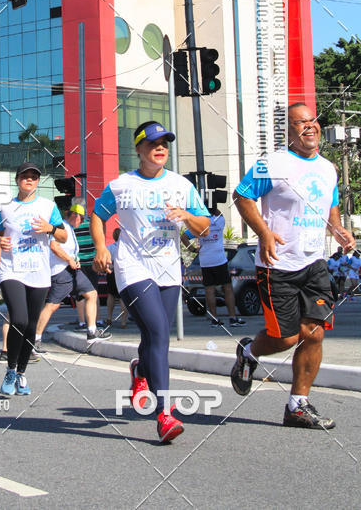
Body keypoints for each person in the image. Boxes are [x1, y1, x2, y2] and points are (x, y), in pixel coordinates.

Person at [230, 103, 356, 429]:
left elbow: (330, 209)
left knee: (313, 334)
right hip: (277, 266)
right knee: (286, 338)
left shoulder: (329, 168)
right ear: (289, 132)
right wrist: (264, 233)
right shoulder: (272, 163)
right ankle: (249, 353)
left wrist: (340, 232)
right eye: (300, 123)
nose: (309, 127)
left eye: (312, 120)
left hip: (314, 263)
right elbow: (242, 195)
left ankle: (298, 406)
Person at [92, 120, 210, 444]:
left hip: (169, 270)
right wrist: (102, 247)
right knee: (158, 330)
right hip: (132, 267)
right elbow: (98, 215)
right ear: (139, 149)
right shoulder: (121, 186)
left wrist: (186, 217)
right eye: (153, 143)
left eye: (165, 144)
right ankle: (165, 414)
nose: (160, 148)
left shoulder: (181, 186)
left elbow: (205, 228)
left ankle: (140, 372)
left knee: (155, 335)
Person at [0, 161, 67, 396]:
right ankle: (10, 369)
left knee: (32, 326)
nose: (30, 180)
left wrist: (50, 229)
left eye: (34, 176)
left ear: (37, 182)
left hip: (39, 272)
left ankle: (22, 373)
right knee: (20, 320)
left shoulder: (48, 206)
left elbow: (63, 236)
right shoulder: (5, 208)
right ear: (17, 180)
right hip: (12, 269)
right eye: (25, 176)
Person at [34, 203, 110, 351]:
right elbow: (54, 247)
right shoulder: (61, 227)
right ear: (75, 216)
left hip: (72, 270)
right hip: (61, 271)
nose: (81, 223)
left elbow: (70, 250)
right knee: (52, 305)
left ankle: (92, 331)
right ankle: (35, 339)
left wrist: (75, 260)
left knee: (92, 294)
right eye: (81, 219)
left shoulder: (70, 228)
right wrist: (69, 260)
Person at [182, 210, 245, 327]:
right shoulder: (219, 221)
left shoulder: (199, 225)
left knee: (209, 290)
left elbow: (184, 237)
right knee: (227, 288)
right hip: (219, 259)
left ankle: (214, 319)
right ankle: (232, 318)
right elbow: (220, 213)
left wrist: (194, 250)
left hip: (206, 260)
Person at [105, 227, 128, 328]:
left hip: (112, 272)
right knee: (122, 297)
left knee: (111, 295)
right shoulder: (126, 248)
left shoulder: (110, 247)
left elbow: (107, 261)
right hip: (123, 272)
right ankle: (123, 322)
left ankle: (109, 317)